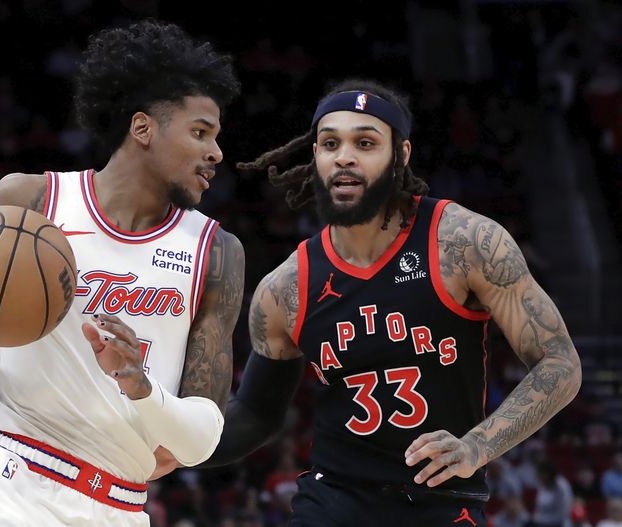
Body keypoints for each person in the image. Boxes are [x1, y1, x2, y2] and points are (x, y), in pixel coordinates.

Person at [0, 19, 244, 527]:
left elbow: (199, 440)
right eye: (200, 133)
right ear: (143, 127)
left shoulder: (217, 252)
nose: (216, 153)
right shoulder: (30, 202)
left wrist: (141, 388)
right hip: (12, 486)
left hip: (122, 506)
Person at [193, 79, 582, 526]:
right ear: (315, 156)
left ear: (400, 156)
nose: (344, 156)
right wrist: (165, 442)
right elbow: (256, 414)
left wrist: (478, 445)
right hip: (332, 500)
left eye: (365, 142)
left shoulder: (463, 242)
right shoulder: (286, 288)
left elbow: (560, 363)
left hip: (440, 500)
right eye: (330, 143)